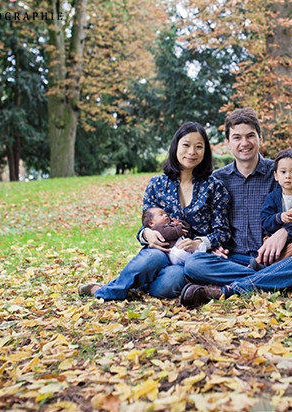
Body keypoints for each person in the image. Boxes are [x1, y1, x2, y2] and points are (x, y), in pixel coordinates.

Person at [181, 107, 292, 307]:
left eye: (250, 136)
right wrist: (211, 245)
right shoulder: (217, 179)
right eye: (236, 137)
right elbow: (204, 223)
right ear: (227, 143)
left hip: (277, 256)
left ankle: (228, 290)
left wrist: (286, 232)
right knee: (193, 265)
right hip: (233, 259)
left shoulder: (280, 171)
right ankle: (288, 280)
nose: (244, 143)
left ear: (260, 138)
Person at [78, 122, 230, 300]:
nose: (192, 152)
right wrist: (146, 234)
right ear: (175, 147)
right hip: (160, 250)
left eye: (199, 147)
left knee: (172, 281)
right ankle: (105, 291)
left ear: (205, 152)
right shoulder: (157, 184)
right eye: (186, 145)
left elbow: (222, 231)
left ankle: (135, 287)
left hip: (189, 259)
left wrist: (199, 242)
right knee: (152, 259)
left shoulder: (214, 186)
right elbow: (145, 224)